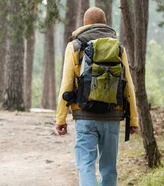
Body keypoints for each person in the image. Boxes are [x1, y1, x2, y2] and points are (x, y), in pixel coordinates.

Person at [55, 7, 139, 186]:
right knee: (109, 167)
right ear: (105, 22)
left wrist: (60, 118)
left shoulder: (75, 46)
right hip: (112, 115)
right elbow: (128, 84)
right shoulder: (118, 47)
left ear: (85, 24)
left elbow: (67, 83)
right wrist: (133, 119)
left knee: (86, 165)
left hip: (84, 115)